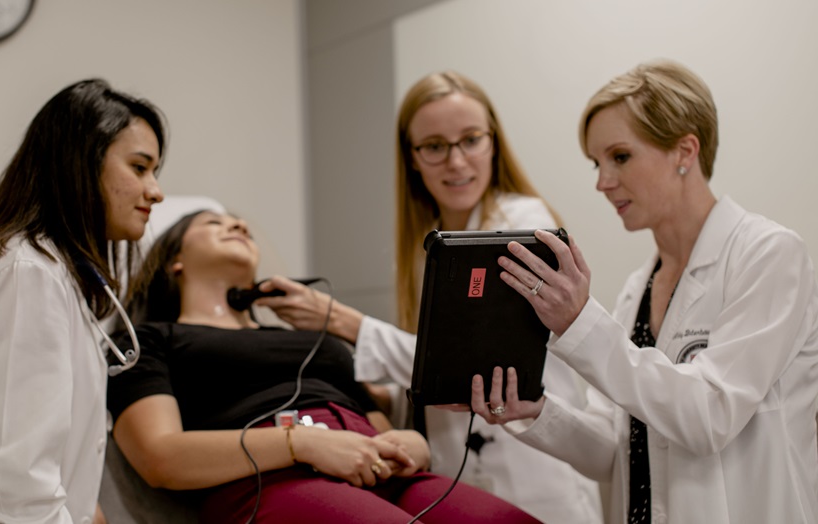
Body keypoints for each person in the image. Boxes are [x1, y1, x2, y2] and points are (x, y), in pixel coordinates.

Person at [468, 59, 818, 524]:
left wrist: (580, 323)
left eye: (620, 156)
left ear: (685, 151)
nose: (602, 181)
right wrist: (533, 411)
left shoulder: (768, 255)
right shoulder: (638, 288)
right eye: (597, 163)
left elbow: (710, 416)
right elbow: (616, 452)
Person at [255, 70, 603, 523]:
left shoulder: (521, 225)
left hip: (533, 473)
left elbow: (466, 363)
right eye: (435, 147)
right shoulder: (429, 245)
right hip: (455, 473)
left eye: (471, 139)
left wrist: (339, 321)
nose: (456, 162)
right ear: (412, 158)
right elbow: (433, 382)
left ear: (493, 142)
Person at [106, 209, 541, 524]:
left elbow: (379, 425)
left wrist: (409, 442)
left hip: (378, 469)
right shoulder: (149, 339)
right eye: (214, 223)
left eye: (240, 221)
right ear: (173, 262)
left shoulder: (313, 343)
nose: (238, 223)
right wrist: (304, 444)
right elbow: (159, 457)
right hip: (267, 482)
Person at [0, 78, 168, 524]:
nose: (155, 191)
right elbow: (12, 487)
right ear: (82, 163)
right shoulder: (29, 274)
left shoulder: (51, 273)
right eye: (139, 167)